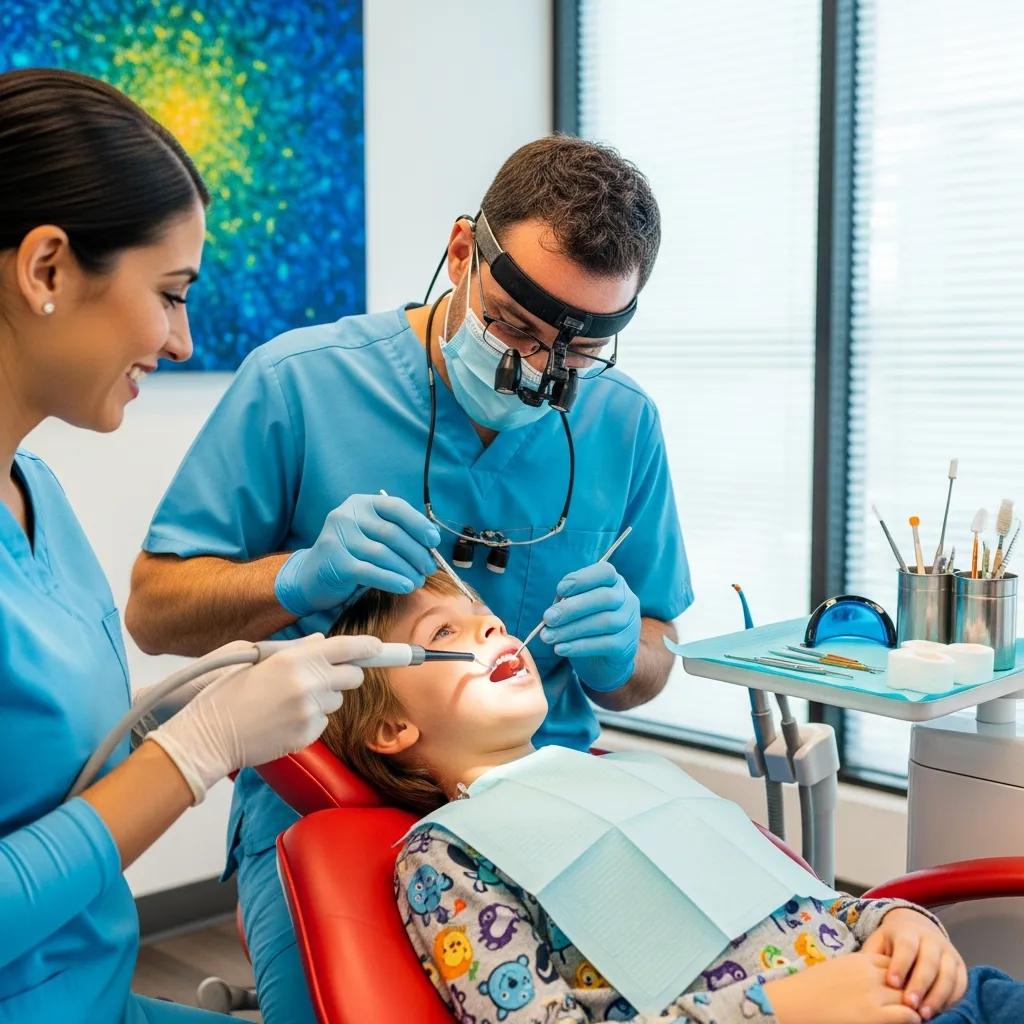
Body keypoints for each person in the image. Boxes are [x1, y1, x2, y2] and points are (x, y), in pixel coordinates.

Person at [126, 135, 693, 1021]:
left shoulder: (625, 427)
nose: (533, 370)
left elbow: (650, 662)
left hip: (545, 796)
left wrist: (629, 651)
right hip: (329, 797)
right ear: (463, 252)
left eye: (574, 356)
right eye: (514, 324)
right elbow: (156, 612)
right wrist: (295, 579)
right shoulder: (300, 384)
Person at [0, 68, 381, 1023]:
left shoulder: (35, 492)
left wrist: (220, 698)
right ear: (46, 269)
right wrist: (200, 747)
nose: (181, 342)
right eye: (169, 294)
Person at [320, 574, 1024, 1024]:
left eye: (487, 618)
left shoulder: (633, 771)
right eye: (443, 633)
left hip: (946, 990)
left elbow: (799, 898)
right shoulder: (445, 853)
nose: (491, 628)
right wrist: (773, 1012)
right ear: (392, 727)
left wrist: (900, 922)